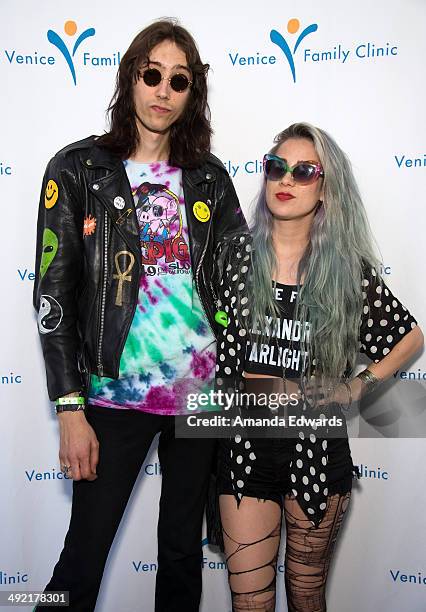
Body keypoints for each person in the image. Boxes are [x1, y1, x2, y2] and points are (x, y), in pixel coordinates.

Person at [33, 19, 246, 612]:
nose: (162, 90)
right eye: (151, 74)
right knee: (84, 554)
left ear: (191, 93)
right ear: (130, 78)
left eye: (178, 80)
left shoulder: (209, 178)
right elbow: (52, 294)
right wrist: (70, 407)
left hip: (200, 400)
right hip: (113, 396)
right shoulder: (78, 170)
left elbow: (237, 287)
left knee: (181, 555)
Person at [210, 122, 423, 611]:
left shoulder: (346, 271)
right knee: (249, 601)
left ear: (327, 188)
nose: (285, 179)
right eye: (276, 167)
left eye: (305, 171)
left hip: (317, 454)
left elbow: (409, 336)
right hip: (245, 453)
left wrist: (357, 386)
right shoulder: (233, 257)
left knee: (307, 596)